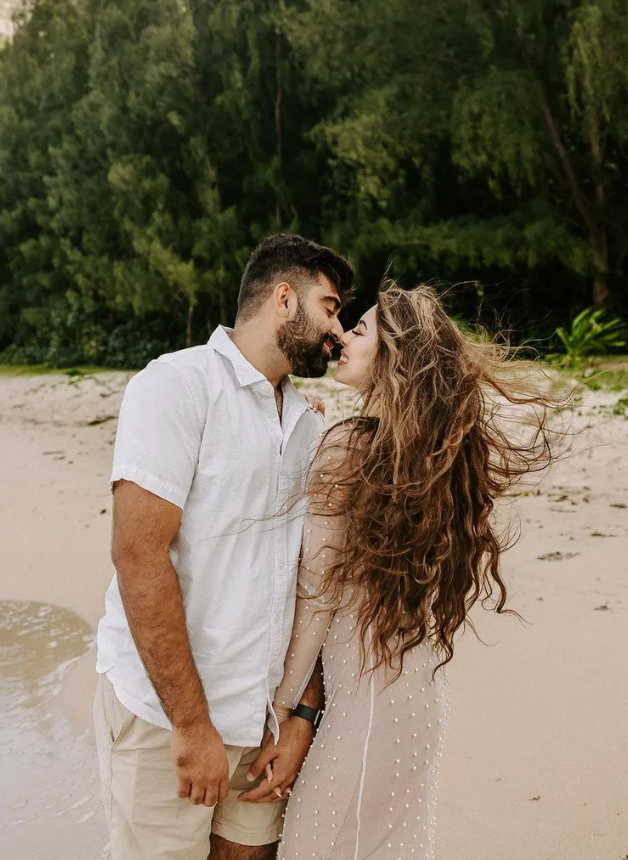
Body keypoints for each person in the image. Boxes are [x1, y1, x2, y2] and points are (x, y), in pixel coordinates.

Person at [263, 283, 560, 860]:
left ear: (394, 358)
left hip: (365, 713)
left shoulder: (349, 449)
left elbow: (318, 595)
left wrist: (281, 709)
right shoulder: (433, 461)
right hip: (420, 703)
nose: (343, 335)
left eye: (361, 329)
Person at [93, 233, 353, 860]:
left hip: (260, 717)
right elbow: (138, 555)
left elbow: (305, 578)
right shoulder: (175, 386)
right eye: (330, 306)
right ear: (284, 299)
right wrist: (190, 725)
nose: (338, 331)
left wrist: (301, 715)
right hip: (166, 718)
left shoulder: (309, 420)